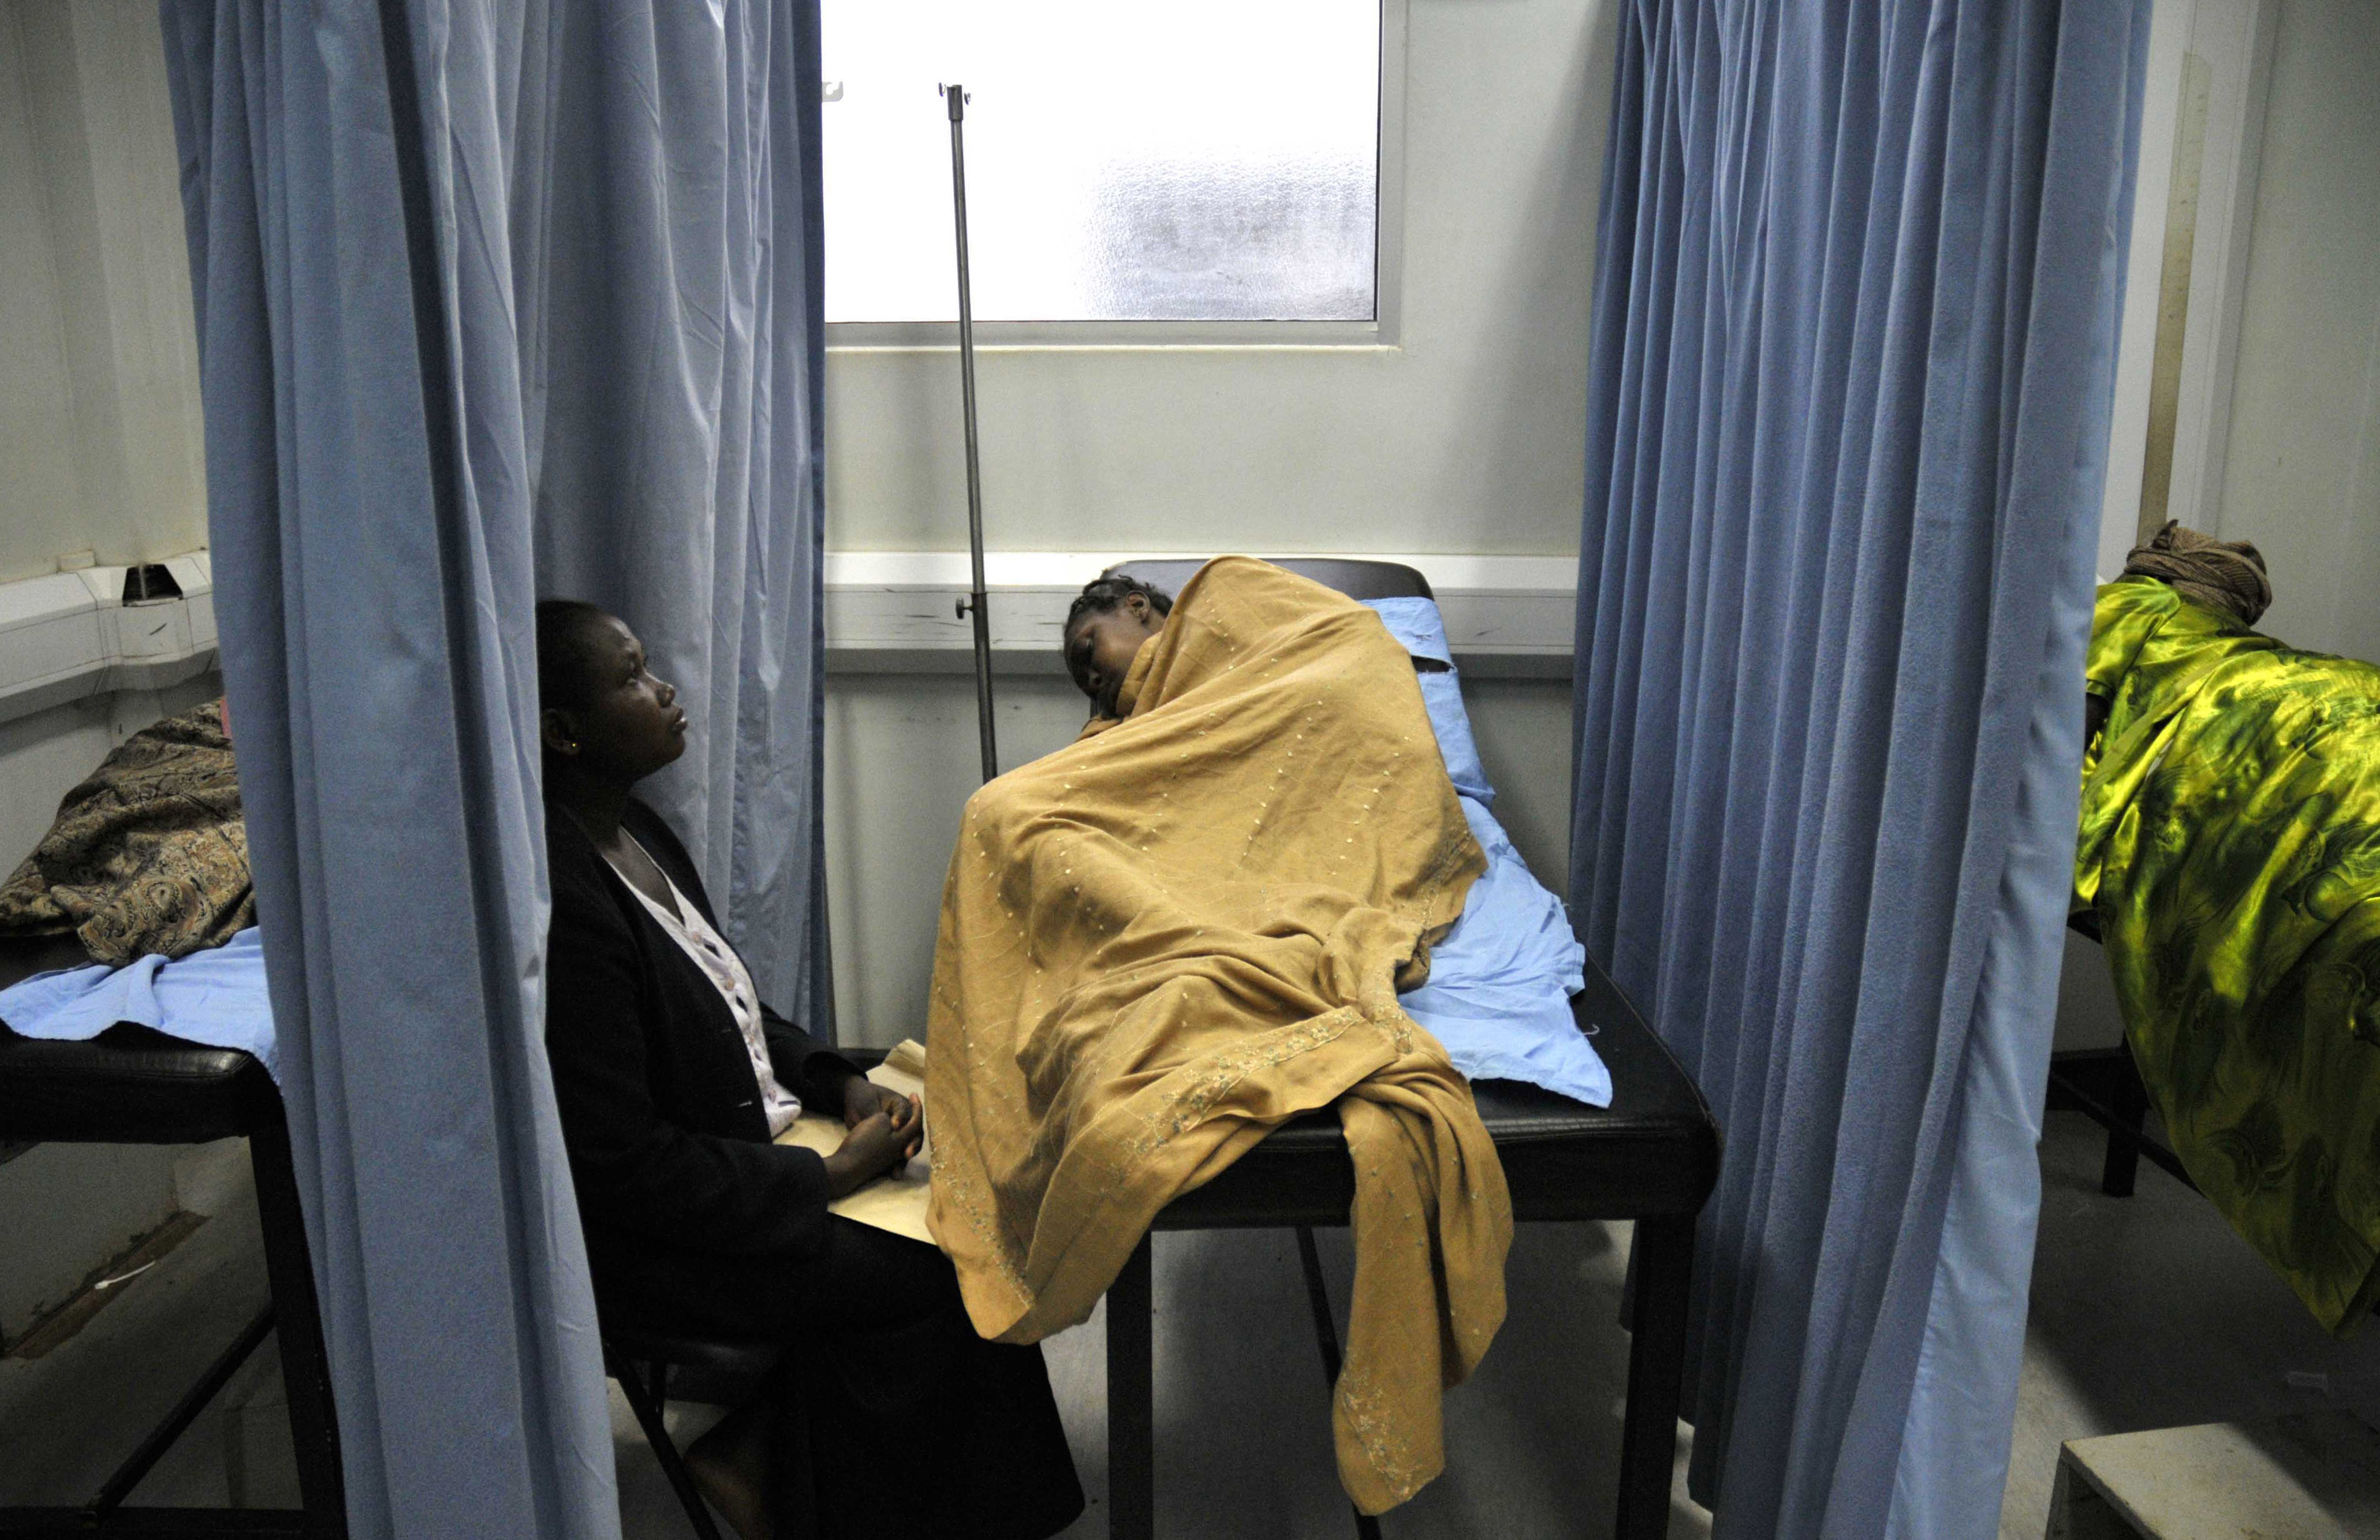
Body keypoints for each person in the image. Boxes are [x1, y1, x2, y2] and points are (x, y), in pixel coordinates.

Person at [535, 599, 1082, 1540]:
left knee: (985, 1199)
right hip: (672, 1250)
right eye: (631, 677)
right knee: (955, 1271)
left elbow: (735, 1011)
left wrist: (841, 1084)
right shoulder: (572, 905)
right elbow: (623, 1164)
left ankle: (761, 1451)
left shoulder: (640, 835)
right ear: (563, 731)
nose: (664, 689)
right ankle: (809, 1482)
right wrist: (830, 1172)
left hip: (754, 1168)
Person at [1060, 574, 1172, 719]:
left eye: (1088, 651)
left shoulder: (1207, 617)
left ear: (1137, 605)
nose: (1093, 682)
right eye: (1091, 694)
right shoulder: (1102, 734)